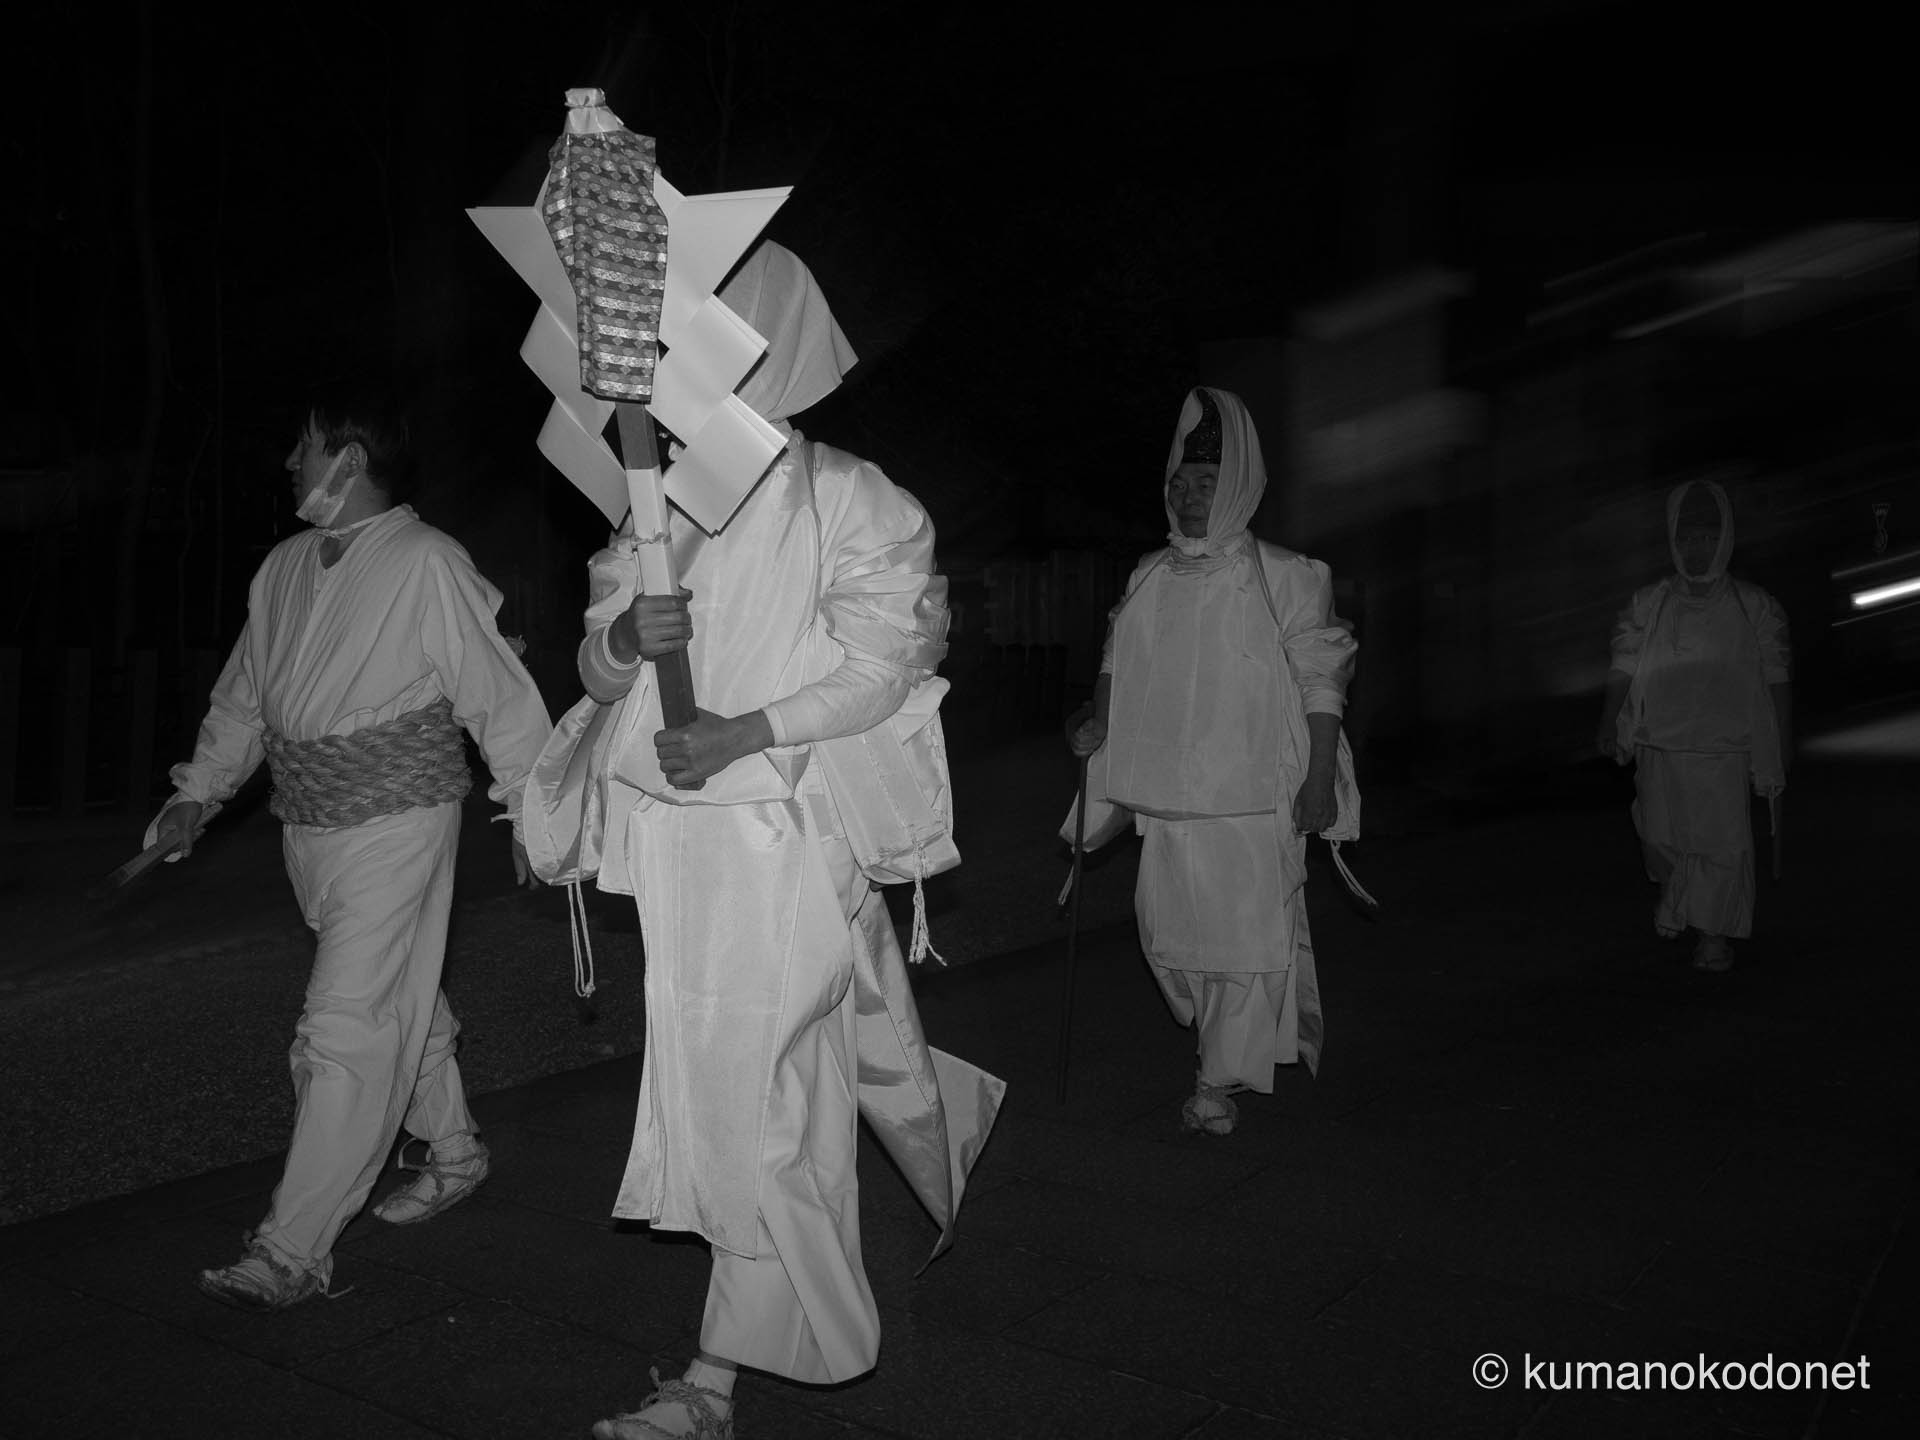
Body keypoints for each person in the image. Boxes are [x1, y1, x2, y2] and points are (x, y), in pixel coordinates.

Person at [523, 243, 1001, 1440]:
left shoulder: (851, 497)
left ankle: (717, 1378)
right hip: (678, 847)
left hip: (786, 839)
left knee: (762, 1097)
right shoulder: (656, 502)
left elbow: (888, 664)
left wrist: (748, 729)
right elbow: (595, 660)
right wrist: (625, 642)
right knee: (749, 1082)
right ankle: (741, 1350)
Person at [147, 391, 552, 1309]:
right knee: (400, 991)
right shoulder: (283, 566)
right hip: (310, 823)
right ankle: (455, 1151)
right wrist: (195, 793)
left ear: (351, 458)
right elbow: (245, 697)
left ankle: (292, 1248)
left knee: (343, 1025)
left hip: (399, 820)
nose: (291, 463)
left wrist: (533, 810)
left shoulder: (426, 559)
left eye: (305, 446)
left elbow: (496, 691)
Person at [1066, 386, 1358, 1136]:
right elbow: (1115, 663)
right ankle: (1214, 1047)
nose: (1188, 496)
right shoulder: (1148, 574)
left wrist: (1319, 778)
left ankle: (1215, 1079)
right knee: (1167, 937)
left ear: (1238, 487)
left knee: (1243, 942)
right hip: (1165, 797)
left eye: (1205, 483)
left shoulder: (1289, 575)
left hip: (1255, 798)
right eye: (1179, 482)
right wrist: (1097, 723)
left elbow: (1322, 680)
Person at [1596, 476, 1791, 973]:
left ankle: (1713, 937)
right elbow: (1623, 664)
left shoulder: (1754, 606)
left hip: (1724, 748)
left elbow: (1775, 677)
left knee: (1721, 846)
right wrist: (1609, 720)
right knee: (1660, 838)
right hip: (1659, 743)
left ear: (1724, 539)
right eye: (1686, 538)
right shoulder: (1649, 603)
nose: (1696, 549)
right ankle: (1679, 891)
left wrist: (1781, 740)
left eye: (1706, 538)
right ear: (1673, 540)